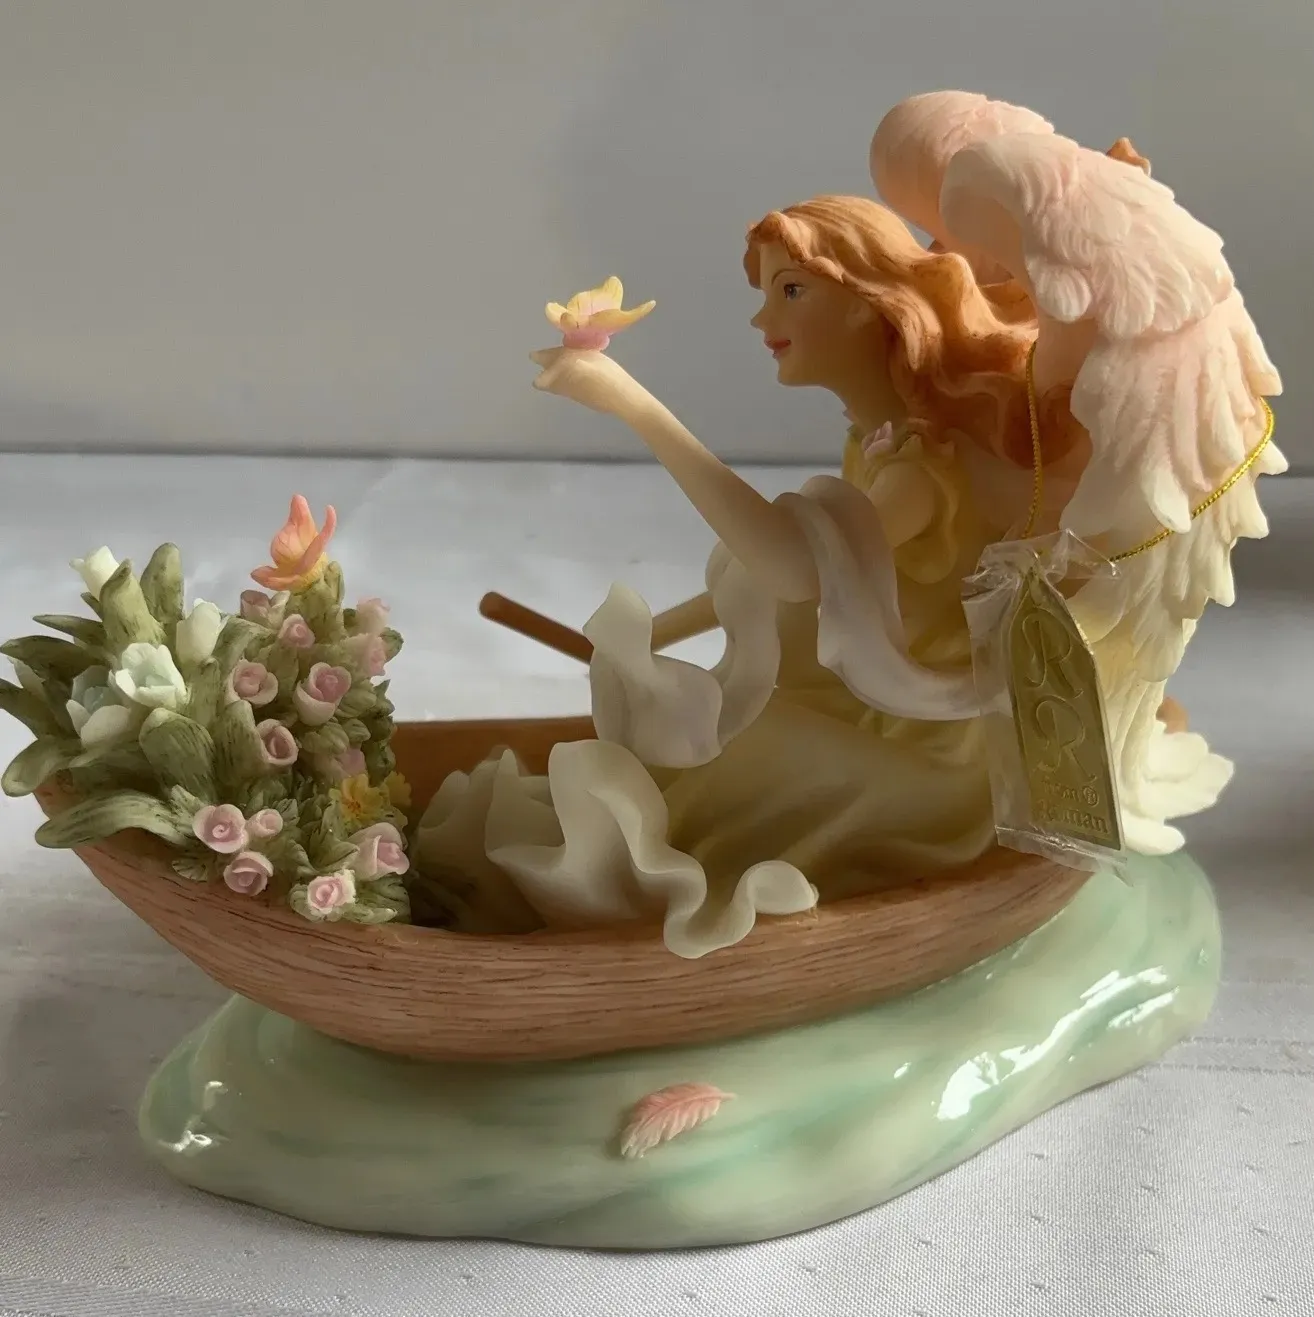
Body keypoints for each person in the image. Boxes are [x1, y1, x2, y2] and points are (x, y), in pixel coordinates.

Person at [416, 194, 1080, 956]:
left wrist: (637, 407)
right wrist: (655, 634)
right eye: (765, 293)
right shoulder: (878, 446)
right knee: (714, 729)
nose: (764, 320)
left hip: (947, 764)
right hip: (874, 714)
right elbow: (788, 574)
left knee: (747, 744)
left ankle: (637, 898)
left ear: (865, 302)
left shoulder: (923, 474)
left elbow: (793, 565)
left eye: (791, 290)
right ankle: (602, 868)